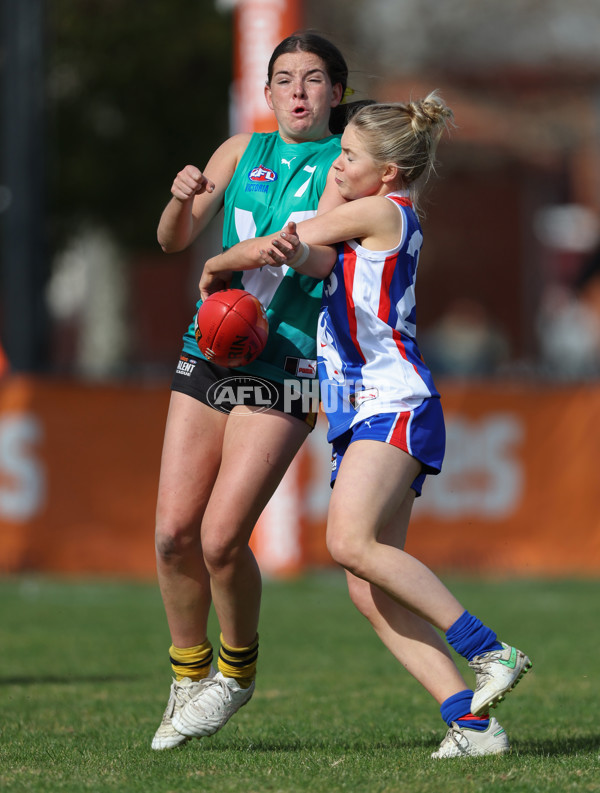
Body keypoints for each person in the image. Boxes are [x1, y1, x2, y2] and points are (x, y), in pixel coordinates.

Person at [199, 95, 532, 758]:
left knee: (348, 541)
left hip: (392, 402)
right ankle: (472, 726)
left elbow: (294, 233)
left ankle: (490, 649)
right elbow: (312, 259)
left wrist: (218, 267)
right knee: (368, 584)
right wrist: (297, 239)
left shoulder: (383, 209)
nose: (338, 162)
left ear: (386, 173)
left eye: (349, 155)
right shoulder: (366, 225)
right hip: (364, 410)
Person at [150, 31, 354, 752]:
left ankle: (235, 673)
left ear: (335, 91)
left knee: (220, 538)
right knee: (173, 533)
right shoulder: (239, 152)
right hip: (210, 347)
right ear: (266, 94)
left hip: (286, 364)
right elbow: (174, 240)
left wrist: (304, 251)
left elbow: (334, 255)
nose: (298, 91)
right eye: (285, 79)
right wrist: (179, 202)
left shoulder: (348, 164)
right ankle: (188, 673)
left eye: (313, 79)